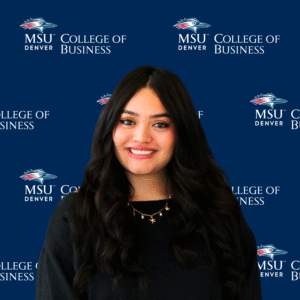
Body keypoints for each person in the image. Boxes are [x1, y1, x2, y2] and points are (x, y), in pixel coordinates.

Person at [35, 66, 262, 300]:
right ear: (109, 127)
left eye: (160, 124)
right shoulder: (74, 216)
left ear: (182, 132)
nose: (142, 137)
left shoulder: (220, 215)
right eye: (127, 121)